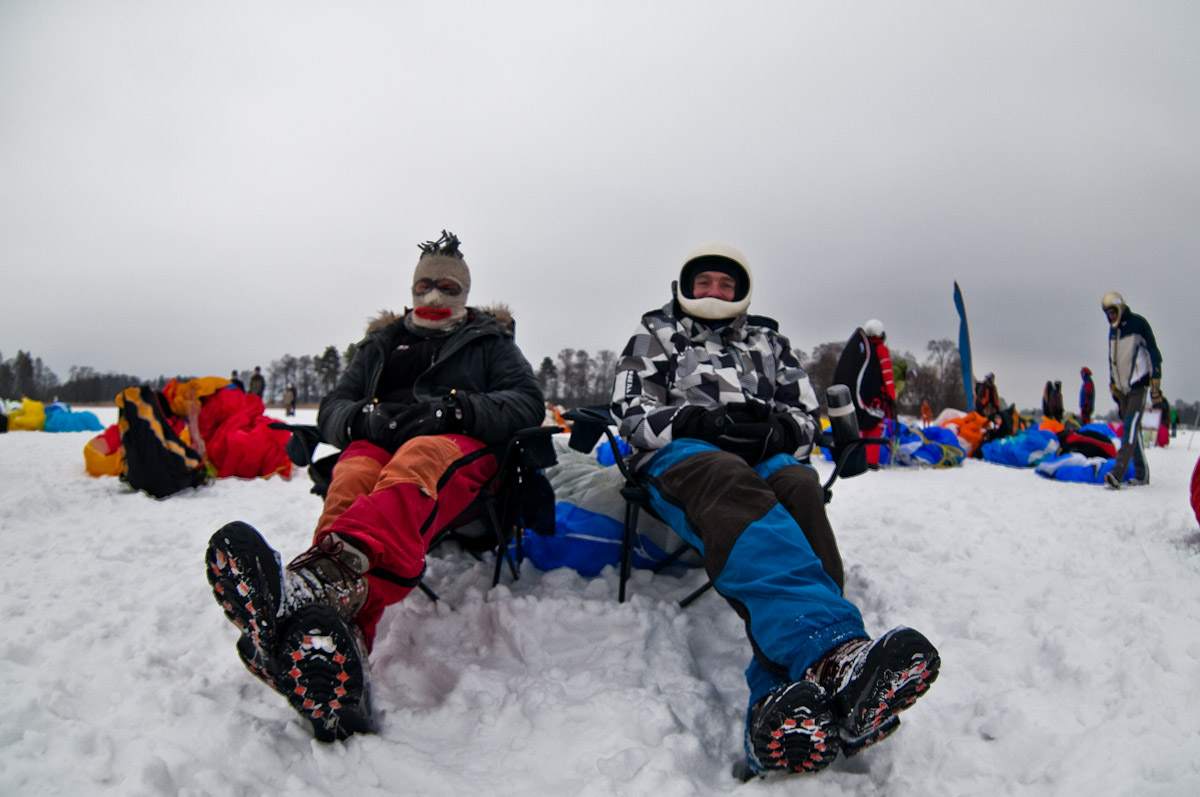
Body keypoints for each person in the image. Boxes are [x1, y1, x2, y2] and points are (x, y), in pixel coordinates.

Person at [611, 242, 939, 777]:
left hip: (763, 456)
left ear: (741, 292)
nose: (714, 291)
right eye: (704, 282)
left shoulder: (768, 341)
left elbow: (805, 414)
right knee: (730, 480)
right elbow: (629, 412)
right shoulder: (656, 334)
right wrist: (697, 422)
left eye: (726, 284)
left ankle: (783, 704)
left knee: (800, 486)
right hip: (684, 458)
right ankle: (833, 656)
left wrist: (780, 431)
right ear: (685, 286)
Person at [204, 230, 544, 740]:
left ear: (465, 293)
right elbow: (333, 408)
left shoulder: (489, 342)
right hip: (381, 444)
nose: (434, 296)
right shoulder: (382, 344)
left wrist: (454, 410)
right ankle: (338, 647)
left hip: (457, 454)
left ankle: (318, 580)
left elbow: (526, 403)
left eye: (448, 287)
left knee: (418, 458)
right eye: (424, 285)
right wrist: (366, 418)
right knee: (353, 473)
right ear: (411, 288)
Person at [1102, 291, 1162, 488]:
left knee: (1129, 427)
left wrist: (1155, 380)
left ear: (1120, 308)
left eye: (1113, 312)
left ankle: (1117, 474)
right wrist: (1113, 383)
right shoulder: (1113, 332)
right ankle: (1142, 474)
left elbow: (1153, 352)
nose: (1111, 316)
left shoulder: (1138, 324)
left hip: (1138, 386)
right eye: (1108, 313)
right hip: (1122, 390)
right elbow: (1113, 360)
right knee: (1132, 431)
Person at [832, 319, 896, 468]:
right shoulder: (881, 350)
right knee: (874, 429)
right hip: (876, 398)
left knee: (862, 430)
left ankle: (860, 459)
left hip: (862, 397)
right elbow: (887, 375)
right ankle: (871, 461)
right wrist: (892, 396)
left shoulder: (862, 349)